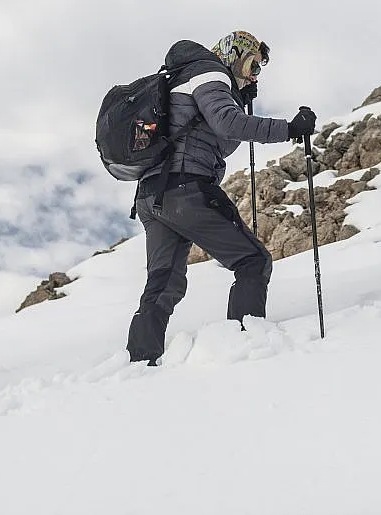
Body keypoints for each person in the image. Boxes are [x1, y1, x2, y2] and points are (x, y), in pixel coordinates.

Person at [125, 31, 316, 365]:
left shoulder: (180, 79)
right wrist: (290, 128)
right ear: (233, 54)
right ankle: (246, 344)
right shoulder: (211, 72)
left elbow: (213, 133)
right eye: (253, 64)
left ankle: (141, 362)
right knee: (252, 261)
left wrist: (239, 97)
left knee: (163, 281)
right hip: (186, 187)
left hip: (152, 196)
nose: (255, 74)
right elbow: (227, 124)